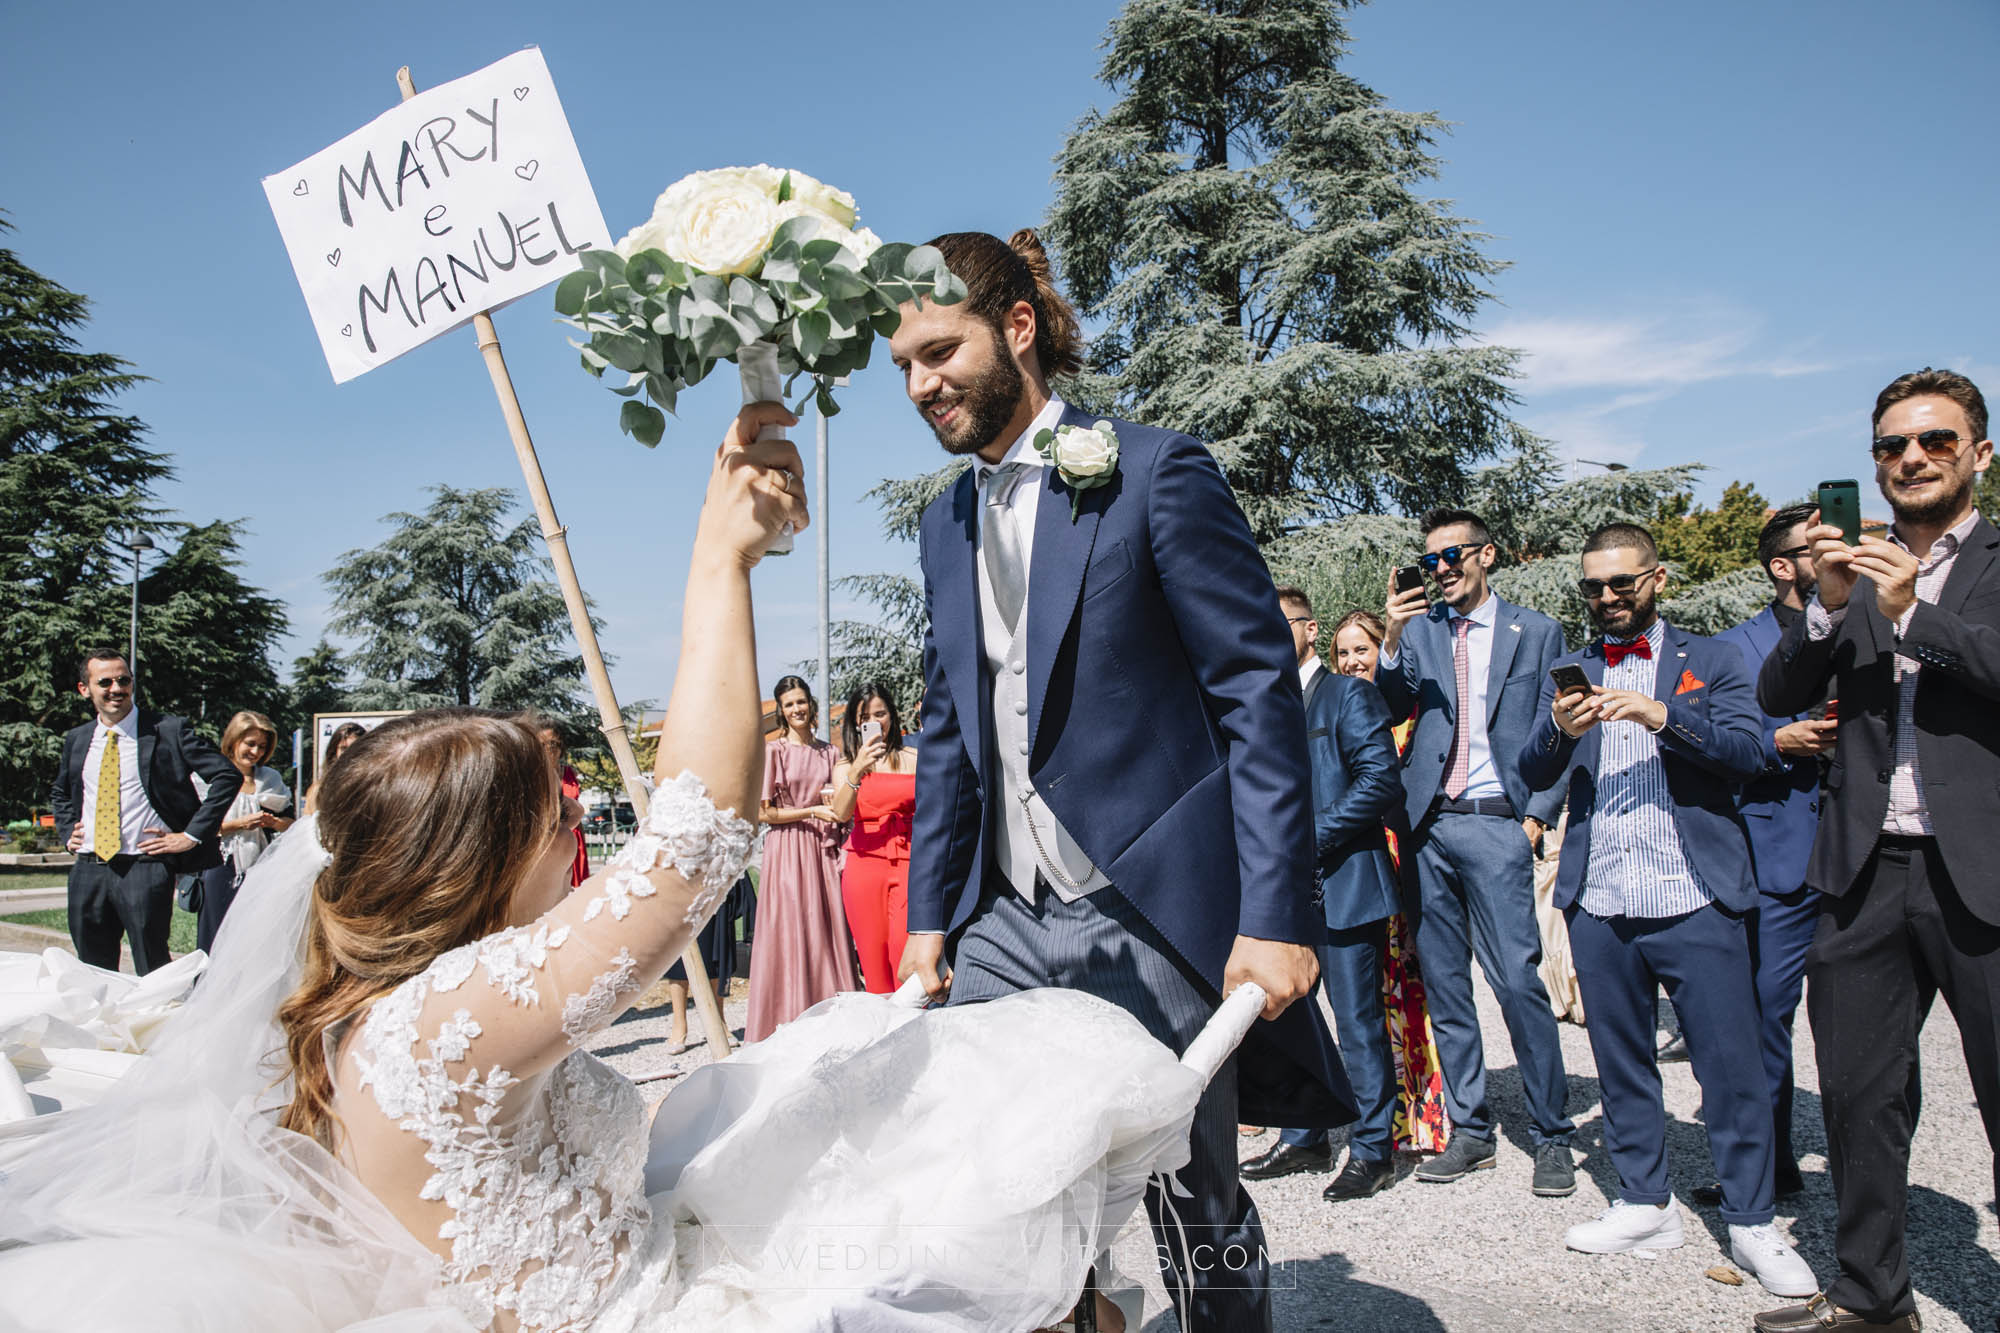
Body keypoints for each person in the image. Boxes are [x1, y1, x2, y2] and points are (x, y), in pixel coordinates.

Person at [0, 404, 808, 1329]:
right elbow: (691, 847)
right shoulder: (437, 1018)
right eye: (556, 812)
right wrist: (721, 558)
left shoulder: (391, 996)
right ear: (474, 862)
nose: (579, 817)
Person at [894, 228, 1348, 1332]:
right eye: (902, 365)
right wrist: (928, 919)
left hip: (1150, 908)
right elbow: (950, 730)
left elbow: (1256, 695)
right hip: (1004, 919)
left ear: (1016, 328)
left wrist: (1275, 915)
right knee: (1002, 1205)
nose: (919, 386)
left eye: (939, 352)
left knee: (1193, 1200)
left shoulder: (1154, 471)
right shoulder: (943, 521)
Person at [1755, 368, 2000, 1333]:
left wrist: (1912, 616)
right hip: (1865, 865)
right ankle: (1872, 1298)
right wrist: (1826, 602)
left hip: (1983, 867)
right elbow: (1779, 695)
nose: (1912, 458)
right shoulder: (1856, 567)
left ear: (1980, 454)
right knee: (1858, 1096)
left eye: (1936, 440)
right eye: (1893, 446)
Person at [1523, 522, 1816, 1299]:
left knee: (1731, 1068)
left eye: (1622, 582)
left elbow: (1750, 753)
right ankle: (1644, 1202)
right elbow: (1533, 768)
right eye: (1593, 586)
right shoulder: (1575, 667)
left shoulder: (1711, 659)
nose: (1607, 597)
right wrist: (1557, 729)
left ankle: (1753, 1220)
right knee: (1621, 1062)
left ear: (1657, 579)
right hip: (1601, 897)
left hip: (1694, 894)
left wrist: (1661, 716)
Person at [1377, 508, 1576, 1194]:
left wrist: (1537, 817)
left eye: (1452, 555)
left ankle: (1553, 1134)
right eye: (1430, 559)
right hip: (1428, 825)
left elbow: (1562, 728)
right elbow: (1389, 704)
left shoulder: (1537, 632)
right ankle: (1471, 1131)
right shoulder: (1421, 631)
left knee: (1518, 981)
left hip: (1498, 824)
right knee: (1446, 986)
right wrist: (1393, 634)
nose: (1440, 569)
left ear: (1486, 554)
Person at [1241, 588, 1407, 1202]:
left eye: (1279, 622)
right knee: (1291, 1019)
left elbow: (1379, 781)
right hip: (1280, 895)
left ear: (1310, 629)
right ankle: (1303, 1136)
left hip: (1344, 885)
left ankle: (1373, 1150)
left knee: (1357, 1024)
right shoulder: (1264, 704)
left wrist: (1307, 839)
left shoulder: (1348, 695)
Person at [1706, 501, 1832, 1205]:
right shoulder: (1732, 649)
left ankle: (1876, 1179)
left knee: (1880, 1036)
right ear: (1783, 566)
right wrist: (1778, 742)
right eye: (1817, 545)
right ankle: (1768, 1170)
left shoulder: (1877, 622)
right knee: (1763, 1020)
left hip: (1873, 854)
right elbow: (1712, 746)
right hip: (1779, 858)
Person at [1326, 607, 1451, 1156]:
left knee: (1411, 987)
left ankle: (1425, 1108)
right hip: (1359, 861)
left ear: (1384, 649)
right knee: (1373, 997)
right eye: (1343, 652)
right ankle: (1387, 1110)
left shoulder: (1407, 715)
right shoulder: (1336, 707)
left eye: (1363, 649)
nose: (1353, 661)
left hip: (1403, 858)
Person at [49, 649, 242, 974]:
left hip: (145, 867)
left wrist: (191, 835)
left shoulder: (168, 730)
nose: (116, 689)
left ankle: (155, 1011)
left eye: (123, 680)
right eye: (105, 682)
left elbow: (226, 776)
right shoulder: (78, 739)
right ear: (85, 689)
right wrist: (68, 831)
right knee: (91, 972)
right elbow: (60, 791)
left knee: (152, 969)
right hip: (89, 869)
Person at [747, 674, 856, 1042]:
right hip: (788, 849)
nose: (797, 709)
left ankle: (833, 1013)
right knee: (792, 924)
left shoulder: (830, 753)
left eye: (801, 701)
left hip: (824, 846)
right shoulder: (774, 752)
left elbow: (842, 802)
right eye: (789, 704)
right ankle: (788, 1012)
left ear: (811, 704)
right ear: (781, 710)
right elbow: (764, 813)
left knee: (827, 923)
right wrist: (811, 811)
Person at [829, 681, 919, 994]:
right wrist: (857, 770)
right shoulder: (845, 766)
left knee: (905, 957)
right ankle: (881, 1025)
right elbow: (840, 813)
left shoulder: (913, 757)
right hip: (865, 866)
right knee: (873, 962)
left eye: (880, 714)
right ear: (855, 722)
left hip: (910, 862)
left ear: (892, 715)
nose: (874, 722)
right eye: (865, 717)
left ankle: (914, 1021)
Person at [193, 709, 294, 954]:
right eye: (250, 744)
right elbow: (197, 827)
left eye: (262, 746)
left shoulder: (270, 780)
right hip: (219, 864)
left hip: (260, 866)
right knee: (216, 935)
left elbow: (290, 822)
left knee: (253, 937)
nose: (256, 752)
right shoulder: (211, 776)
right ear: (234, 740)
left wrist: (273, 823)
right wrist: (240, 824)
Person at [536, 719, 594, 888]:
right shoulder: (535, 776)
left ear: (561, 747)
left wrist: (582, 844)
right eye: (542, 744)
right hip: (549, 839)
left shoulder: (569, 773)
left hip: (575, 837)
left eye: (553, 743)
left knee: (577, 891)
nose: (548, 749)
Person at [302, 722, 366, 816]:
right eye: (343, 749)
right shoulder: (319, 790)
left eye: (355, 748)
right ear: (334, 753)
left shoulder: (376, 788)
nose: (349, 754)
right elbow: (308, 822)